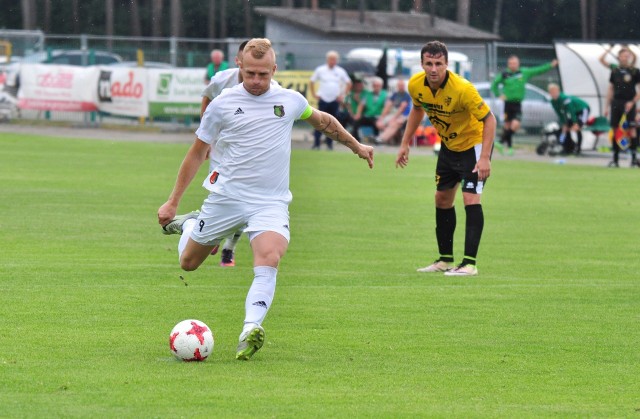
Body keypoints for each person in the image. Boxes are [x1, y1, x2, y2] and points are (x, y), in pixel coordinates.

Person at [158, 38, 374, 361]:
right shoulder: (223, 103)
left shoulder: (289, 100)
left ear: (274, 70)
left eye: (263, 74)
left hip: (270, 202)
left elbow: (324, 122)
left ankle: (250, 330)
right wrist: (173, 201)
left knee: (269, 257)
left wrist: (356, 145)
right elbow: (196, 153)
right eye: (250, 74)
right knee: (188, 263)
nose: (257, 81)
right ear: (239, 68)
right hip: (226, 197)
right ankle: (188, 224)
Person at [395, 40, 496, 276]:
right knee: (441, 199)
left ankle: (469, 263)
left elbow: (489, 119)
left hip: (473, 147)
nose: (433, 69)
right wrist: (405, 143)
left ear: (446, 64)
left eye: (438, 64)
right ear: (421, 64)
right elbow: (417, 110)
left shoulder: (463, 89)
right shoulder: (415, 85)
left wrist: (485, 158)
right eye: (428, 63)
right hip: (449, 148)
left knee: (471, 199)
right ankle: (445, 260)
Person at [199, 41, 251, 266]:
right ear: (238, 61)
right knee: (220, 193)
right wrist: (206, 138)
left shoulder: (269, 86)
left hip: (248, 154)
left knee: (244, 203)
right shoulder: (222, 79)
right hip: (222, 151)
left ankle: (228, 248)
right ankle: (212, 231)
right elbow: (207, 98)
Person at [491, 55, 558, 155]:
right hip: (507, 104)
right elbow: (494, 84)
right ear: (508, 64)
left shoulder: (524, 72)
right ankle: (509, 148)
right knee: (507, 126)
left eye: (515, 63)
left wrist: (550, 65)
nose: (513, 65)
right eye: (511, 63)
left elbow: (538, 70)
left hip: (517, 104)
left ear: (518, 64)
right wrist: (498, 95)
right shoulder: (505, 74)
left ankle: (500, 142)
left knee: (515, 124)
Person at [600, 45, 640, 167]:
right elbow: (611, 89)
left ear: (630, 56)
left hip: (629, 103)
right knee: (615, 129)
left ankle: (633, 159)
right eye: (622, 55)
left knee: (631, 129)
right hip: (616, 103)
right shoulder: (615, 70)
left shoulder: (634, 71)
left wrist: (632, 102)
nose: (625, 57)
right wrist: (606, 107)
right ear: (619, 57)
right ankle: (615, 159)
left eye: (627, 55)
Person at [309, 50, 352, 150]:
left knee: (332, 124)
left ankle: (329, 144)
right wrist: (314, 94)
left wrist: (343, 95)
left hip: (334, 100)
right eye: (331, 59)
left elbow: (349, 83)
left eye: (334, 59)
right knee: (319, 122)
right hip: (323, 99)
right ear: (327, 59)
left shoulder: (340, 71)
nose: (332, 61)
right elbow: (312, 81)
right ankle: (316, 143)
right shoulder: (320, 70)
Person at [547, 83, 590, 155]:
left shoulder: (564, 98)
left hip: (582, 109)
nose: (553, 94)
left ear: (558, 91)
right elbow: (560, 113)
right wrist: (564, 123)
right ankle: (564, 146)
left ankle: (578, 149)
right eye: (551, 92)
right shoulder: (553, 102)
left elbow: (571, 110)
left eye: (554, 91)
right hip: (574, 113)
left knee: (576, 127)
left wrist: (575, 122)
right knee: (565, 129)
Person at [374, 78, 412, 145]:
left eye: (402, 85)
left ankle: (381, 139)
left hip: (404, 115)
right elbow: (388, 105)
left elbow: (402, 109)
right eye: (400, 85)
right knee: (379, 123)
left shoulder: (406, 95)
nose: (401, 87)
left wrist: (393, 118)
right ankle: (391, 138)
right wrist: (382, 117)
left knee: (394, 123)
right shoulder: (395, 94)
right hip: (394, 114)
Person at [351, 77, 388, 143]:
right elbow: (361, 105)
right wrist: (358, 114)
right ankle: (355, 139)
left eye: (378, 86)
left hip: (378, 116)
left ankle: (377, 139)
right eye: (374, 86)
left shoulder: (385, 95)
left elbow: (386, 107)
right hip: (368, 116)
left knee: (376, 122)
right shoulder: (368, 94)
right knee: (356, 121)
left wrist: (382, 117)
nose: (376, 87)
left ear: (381, 86)